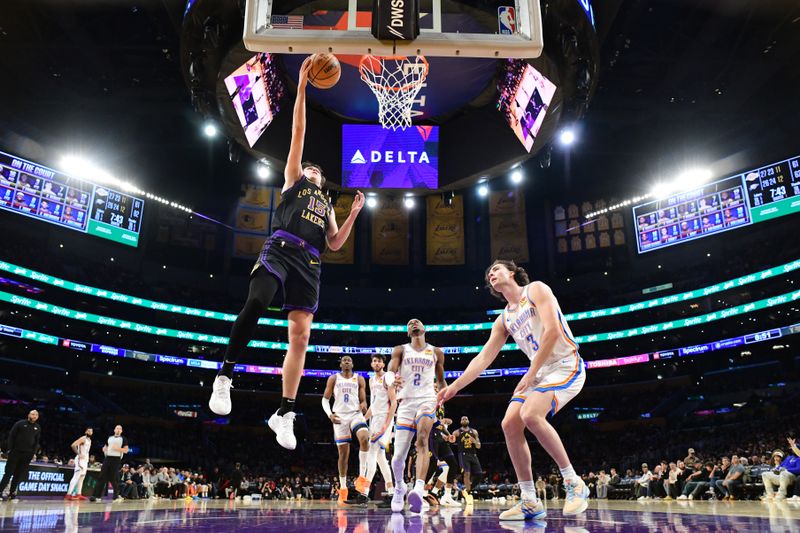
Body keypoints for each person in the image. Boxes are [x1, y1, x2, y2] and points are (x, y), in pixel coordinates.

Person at [208, 56, 366, 451]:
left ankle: (285, 412)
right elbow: (298, 130)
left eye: (317, 173)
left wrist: (353, 215)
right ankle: (225, 375)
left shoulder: (326, 202)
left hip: (311, 261)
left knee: (301, 335)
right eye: (310, 170)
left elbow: (334, 244)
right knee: (259, 300)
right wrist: (302, 87)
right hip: (280, 247)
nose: (314, 172)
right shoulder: (295, 180)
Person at [438, 259, 588, 521]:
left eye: (496, 269)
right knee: (509, 423)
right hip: (539, 372)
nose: (492, 274)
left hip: (565, 364)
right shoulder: (504, 319)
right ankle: (530, 499)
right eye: (489, 273)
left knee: (530, 414)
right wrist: (454, 387)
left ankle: (574, 482)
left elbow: (552, 332)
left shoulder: (536, 290)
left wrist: (530, 374)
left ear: (512, 272)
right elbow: (483, 358)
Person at [389, 319, 446, 513]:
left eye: (417, 321)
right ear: (408, 333)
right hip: (405, 403)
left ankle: (418, 489)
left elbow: (441, 380)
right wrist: (391, 379)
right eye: (409, 323)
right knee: (397, 458)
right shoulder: (401, 349)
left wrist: (444, 397)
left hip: (427, 400)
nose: (413, 323)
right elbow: (390, 370)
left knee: (422, 439)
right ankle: (399, 487)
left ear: (424, 328)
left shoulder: (436, 352)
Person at [322, 356, 370, 506]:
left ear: (353, 364)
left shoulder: (360, 379)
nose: (347, 362)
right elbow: (324, 399)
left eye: (349, 360)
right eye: (344, 360)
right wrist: (330, 414)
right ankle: (343, 489)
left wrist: (363, 405)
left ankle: (362, 479)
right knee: (343, 455)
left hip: (355, 414)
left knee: (364, 438)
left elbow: (363, 400)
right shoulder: (333, 378)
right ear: (341, 364)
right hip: (340, 417)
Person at [362, 354, 397, 507]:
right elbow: (374, 405)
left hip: (385, 419)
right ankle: (392, 494)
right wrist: (362, 420)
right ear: (371, 364)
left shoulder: (387, 377)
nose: (377, 363)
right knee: (381, 459)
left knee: (372, 453)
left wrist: (385, 427)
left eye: (379, 361)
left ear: (384, 363)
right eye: (374, 361)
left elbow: (394, 403)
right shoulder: (371, 380)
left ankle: (363, 493)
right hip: (375, 419)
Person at [0, 410, 40, 501]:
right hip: (15, 452)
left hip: (27, 454)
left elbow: (37, 441)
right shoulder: (20, 423)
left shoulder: (38, 427)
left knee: (18, 474)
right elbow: (11, 436)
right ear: (28, 414)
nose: (34, 416)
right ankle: (0, 492)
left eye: (36, 415)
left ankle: (12, 493)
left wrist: (33, 453)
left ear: (37, 417)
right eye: (32, 414)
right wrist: (10, 449)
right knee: (8, 473)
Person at [90, 425, 129, 502]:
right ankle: (96, 496)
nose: (118, 430)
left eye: (120, 429)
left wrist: (117, 448)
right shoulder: (109, 438)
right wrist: (104, 449)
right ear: (114, 430)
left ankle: (116, 496)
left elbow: (126, 450)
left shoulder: (123, 439)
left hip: (116, 459)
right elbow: (105, 447)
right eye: (117, 428)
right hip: (107, 458)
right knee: (101, 477)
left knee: (113, 478)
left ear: (121, 431)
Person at [452, 416, 483, 505]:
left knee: (479, 474)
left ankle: (466, 489)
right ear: (460, 422)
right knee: (466, 473)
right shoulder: (457, 432)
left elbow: (479, 446)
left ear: (468, 421)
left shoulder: (474, 432)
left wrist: (475, 442)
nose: (464, 420)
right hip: (463, 454)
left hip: (473, 455)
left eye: (466, 419)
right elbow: (451, 441)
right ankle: (468, 494)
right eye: (462, 419)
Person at [65, 427, 92, 500]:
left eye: (91, 431)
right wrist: (78, 453)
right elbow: (73, 445)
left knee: (81, 478)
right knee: (76, 477)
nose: (90, 432)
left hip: (85, 461)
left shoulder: (89, 440)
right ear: (86, 431)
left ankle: (78, 494)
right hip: (80, 460)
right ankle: (69, 494)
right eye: (89, 431)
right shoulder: (83, 438)